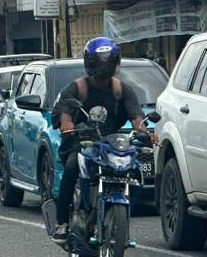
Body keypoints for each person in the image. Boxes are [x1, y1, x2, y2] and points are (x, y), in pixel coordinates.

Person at [50, 38, 155, 243]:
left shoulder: (121, 90)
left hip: (110, 143)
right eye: (101, 61)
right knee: (71, 168)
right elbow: (64, 110)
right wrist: (67, 123)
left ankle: (119, 216)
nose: (104, 66)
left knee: (133, 171)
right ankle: (62, 221)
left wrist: (144, 132)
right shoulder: (78, 88)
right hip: (80, 142)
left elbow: (136, 115)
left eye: (109, 61)